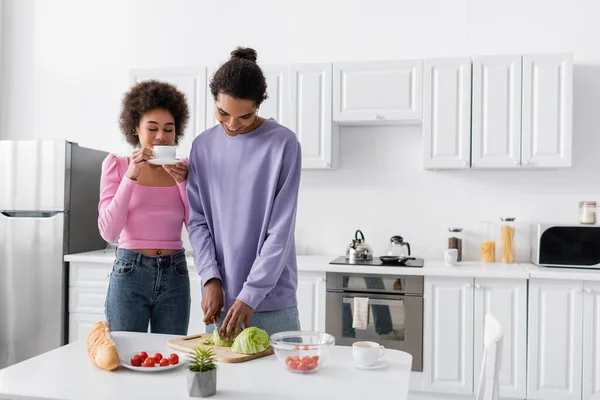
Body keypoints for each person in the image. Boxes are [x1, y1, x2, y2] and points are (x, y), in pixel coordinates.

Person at [187, 47, 302, 340]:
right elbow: (197, 221)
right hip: (220, 300)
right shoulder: (202, 147)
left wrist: (250, 294)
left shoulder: (283, 145)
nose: (233, 125)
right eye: (223, 113)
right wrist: (210, 278)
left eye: (246, 116)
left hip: (272, 301)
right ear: (214, 99)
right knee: (222, 384)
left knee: (283, 385)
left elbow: (281, 231)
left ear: (258, 107)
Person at [98, 80, 192, 334]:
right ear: (135, 130)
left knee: (171, 358)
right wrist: (131, 176)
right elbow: (108, 232)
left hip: (175, 273)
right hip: (130, 272)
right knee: (127, 357)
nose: (161, 136)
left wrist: (182, 183)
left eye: (168, 129)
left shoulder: (185, 167)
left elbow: (196, 228)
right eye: (152, 128)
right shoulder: (116, 165)